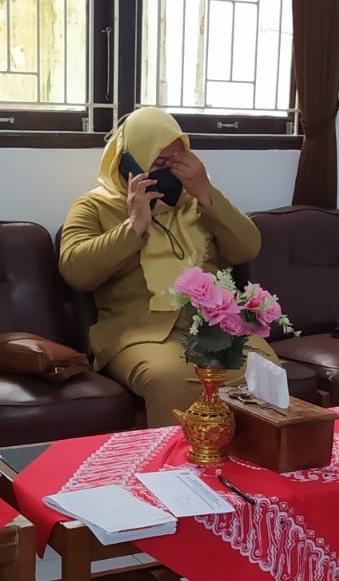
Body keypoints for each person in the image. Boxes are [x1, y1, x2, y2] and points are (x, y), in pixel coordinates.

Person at [59, 107, 276, 427]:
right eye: (159, 164)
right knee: (172, 380)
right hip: (140, 333)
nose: (170, 173)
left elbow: (248, 247)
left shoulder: (197, 202)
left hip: (213, 327)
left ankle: (249, 471)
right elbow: (76, 270)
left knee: (265, 371)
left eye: (179, 162)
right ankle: (177, 473)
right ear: (129, 162)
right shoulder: (96, 205)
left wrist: (206, 193)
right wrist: (133, 226)